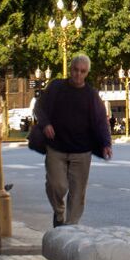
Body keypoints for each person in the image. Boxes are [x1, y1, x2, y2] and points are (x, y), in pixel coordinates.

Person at [34, 54, 112, 226]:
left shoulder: (91, 95)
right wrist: (45, 123)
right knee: (57, 185)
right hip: (56, 147)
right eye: (75, 70)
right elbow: (39, 107)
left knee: (77, 194)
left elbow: (100, 121)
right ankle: (59, 213)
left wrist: (106, 143)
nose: (78, 75)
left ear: (87, 73)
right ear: (70, 70)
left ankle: (71, 228)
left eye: (82, 72)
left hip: (82, 151)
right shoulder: (56, 87)